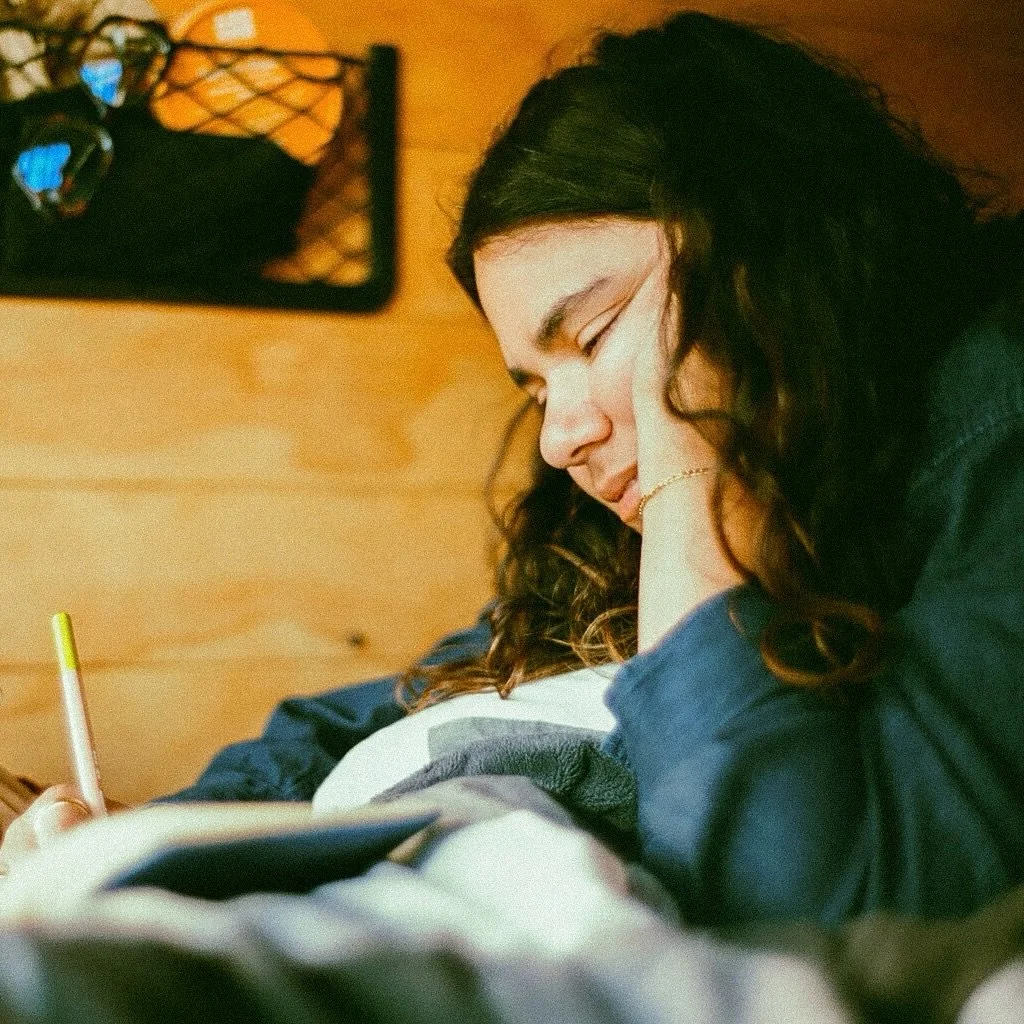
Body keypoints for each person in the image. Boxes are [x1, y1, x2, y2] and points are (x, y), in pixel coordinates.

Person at [3, 11, 1023, 928]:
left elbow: (809, 894)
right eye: (533, 386)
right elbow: (366, 710)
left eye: (594, 328)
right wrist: (159, 834)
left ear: (778, 254)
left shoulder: (988, 416)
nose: (557, 438)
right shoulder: (602, 545)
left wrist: (690, 478)